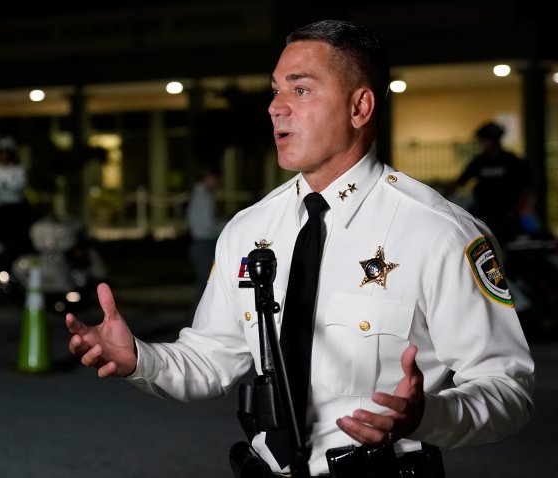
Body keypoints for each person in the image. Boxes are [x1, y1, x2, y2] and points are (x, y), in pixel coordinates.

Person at [66, 19, 534, 477]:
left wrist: (427, 416)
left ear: (360, 107)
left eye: (301, 89)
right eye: (275, 89)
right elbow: (211, 358)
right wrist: (138, 359)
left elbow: (507, 389)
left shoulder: (438, 232)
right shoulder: (248, 229)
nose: (275, 107)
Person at [448, 122, 533, 245]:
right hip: (484, 214)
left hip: (508, 216)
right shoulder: (479, 161)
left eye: (484, 140)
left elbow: (525, 187)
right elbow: (461, 181)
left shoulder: (511, 161)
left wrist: (520, 209)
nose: (481, 144)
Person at [0, 136, 31, 259]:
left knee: (18, 240)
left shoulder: (18, 171)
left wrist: (2, 186)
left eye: (6, 152)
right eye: (1, 152)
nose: (3, 155)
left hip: (16, 211)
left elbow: (18, 185)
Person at [186, 165, 222, 308]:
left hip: (200, 243)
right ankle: (201, 320)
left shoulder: (198, 194)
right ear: (209, 177)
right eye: (216, 179)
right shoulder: (204, 196)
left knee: (205, 283)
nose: (218, 182)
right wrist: (228, 225)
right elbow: (207, 225)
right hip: (204, 243)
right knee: (207, 284)